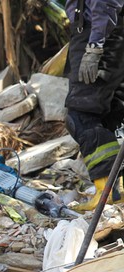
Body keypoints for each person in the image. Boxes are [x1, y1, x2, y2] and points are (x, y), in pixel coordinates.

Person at [64, 0, 124, 211]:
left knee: (81, 117)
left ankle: (109, 191)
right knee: (110, 117)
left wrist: (95, 45)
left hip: (101, 36)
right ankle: (116, 189)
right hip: (104, 34)